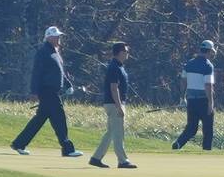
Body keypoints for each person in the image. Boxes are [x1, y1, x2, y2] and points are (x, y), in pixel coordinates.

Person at [10, 26, 82, 157]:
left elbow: (60, 72)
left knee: (39, 120)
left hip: (53, 91)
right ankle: (67, 149)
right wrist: (34, 91)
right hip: (47, 91)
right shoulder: (43, 52)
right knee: (59, 118)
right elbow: (36, 73)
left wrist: (67, 84)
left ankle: (19, 144)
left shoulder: (55, 53)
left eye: (59, 36)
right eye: (56, 36)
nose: (58, 38)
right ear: (48, 38)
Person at [89, 42, 137, 169]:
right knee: (118, 133)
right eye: (126, 51)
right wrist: (119, 105)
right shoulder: (114, 67)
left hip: (113, 103)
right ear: (120, 53)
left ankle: (96, 158)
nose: (128, 54)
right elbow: (113, 88)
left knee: (110, 133)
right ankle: (123, 160)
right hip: (114, 103)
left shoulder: (118, 66)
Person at [172, 39, 216, 151]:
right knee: (207, 129)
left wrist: (182, 97)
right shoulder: (208, 65)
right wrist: (211, 103)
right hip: (204, 100)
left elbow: (183, 81)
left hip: (191, 100)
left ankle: (178, 143)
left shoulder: (189, 64)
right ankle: (206, 151)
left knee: (191, 128)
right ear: (209, 51)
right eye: (212, 51)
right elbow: (208, 86)